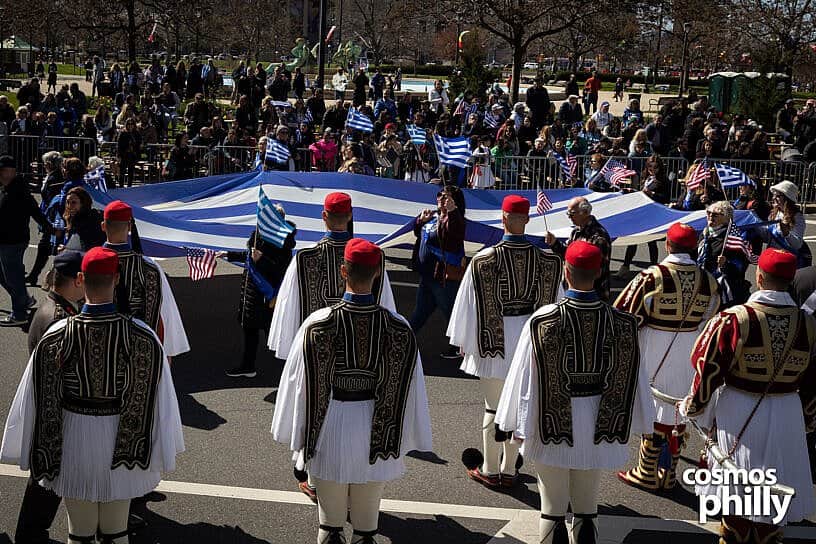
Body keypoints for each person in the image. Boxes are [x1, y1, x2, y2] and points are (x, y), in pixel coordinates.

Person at [0, 247, 184, 544]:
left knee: (80, 533)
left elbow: (37, 399)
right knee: (116, 532)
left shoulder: (56, 335)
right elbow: (159, 401)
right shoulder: (143, 337)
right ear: (117, 278)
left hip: (73, 439)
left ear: (82, 278)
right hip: (123, 442)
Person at [271, 238, 432, 544]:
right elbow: (412, 390)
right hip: (377, 430)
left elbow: (297, 385)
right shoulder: (399, 327)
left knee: (329, 527)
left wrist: (296, 434)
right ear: (376, 274)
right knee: (366, 529)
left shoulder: (316, 324)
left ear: (343, 271)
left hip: (328, 428)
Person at [495, 240, 654, 544]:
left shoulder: (542, 321)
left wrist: (511, 421)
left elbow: (522, 377)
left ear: (565, 272)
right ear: (598, 273)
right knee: (586, 508)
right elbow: (636, 378)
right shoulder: (623, 323)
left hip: (550, 424)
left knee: (552, 508)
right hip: (600, 425)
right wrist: (639, 425)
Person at [681, 248, 816, 543]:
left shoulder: (735, 319)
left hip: (740, 409)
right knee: (773, 497)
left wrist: (695, 405)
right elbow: (812, 378)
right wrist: (807, 416)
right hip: (787, 412)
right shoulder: (809, 324)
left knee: (736, 492)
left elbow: (707, 367)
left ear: (759, 277)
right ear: (791, 279)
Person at [449, 195, 563, 489]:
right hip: (530, 340)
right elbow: (557, 308)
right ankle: (510, 468)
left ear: (502, 218)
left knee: (493, 408)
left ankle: (489, 467)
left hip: (493, 341)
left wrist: (464, 343)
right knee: (519, 407)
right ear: (527, 219)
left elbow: (466, 307)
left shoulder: (483, 260)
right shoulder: (549, 261)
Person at [615, 224, 720, 492]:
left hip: (655, 344)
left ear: (668, 246)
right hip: (689, 345)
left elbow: (623, 315)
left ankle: (647, 471)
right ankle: (668, 470)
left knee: (655, 405)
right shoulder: (708, 279)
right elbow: (711, 315)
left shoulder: (651, 277)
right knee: (677, 410)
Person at [14, 251, 84, 542]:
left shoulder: (52, 308)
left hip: (47, 408)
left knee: (46, 479)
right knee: (46, 480)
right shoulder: (59, 317)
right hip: (54, 412)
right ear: (75, 280)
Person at [101, 201, 190, 359]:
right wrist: (166, 354)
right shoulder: (149, 268)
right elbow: (164, 315)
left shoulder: (88, 264)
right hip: (138, 353)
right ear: (129, 227)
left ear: (103, 226)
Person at [222, 221, 296, 378]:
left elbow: (280, 269)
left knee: (274, 333)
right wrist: (229, 254)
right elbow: (249, 256)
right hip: (251, 295)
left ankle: (294, 367)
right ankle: (248, 366)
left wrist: (261, 260)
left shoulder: (283, 243)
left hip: (267, 297)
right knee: (250, 331)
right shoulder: (259, 237)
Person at [409, 186, 467, 358]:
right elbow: (418, 233)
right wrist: (420, 222)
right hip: (428, 275)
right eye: (440, 195)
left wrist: (453, 212)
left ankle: (461, 347)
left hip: (443, 277)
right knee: (420, 312)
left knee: (450, 312)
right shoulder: (434, 217)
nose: (442, 198)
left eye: (447, 196)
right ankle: (405, 339)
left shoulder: (456, 219)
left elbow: (453, 236)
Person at [0, 155, 47, 326]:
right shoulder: (5, 188)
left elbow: (34, 210)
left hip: (13, 241)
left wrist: (48, 228)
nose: (4, 174)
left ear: (13, 172)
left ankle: (19, 314)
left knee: (13, 277)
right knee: (6, 275)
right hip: (6, 240)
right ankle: (23, 299)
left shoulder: (19, 190)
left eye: (7, 171)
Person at [545, 197, 612, 301]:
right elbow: (568, 255)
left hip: (593, 296)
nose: (569, 217)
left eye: (572, 213)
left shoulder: (599, 237)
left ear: (585, 212)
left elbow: (597, 273)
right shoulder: (576, 231)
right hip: (574, 292)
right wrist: (554, 243)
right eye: (567, 214)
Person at [697, 201, 751, 309]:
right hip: (703, 285)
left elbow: (741, 267)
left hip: (724, 291)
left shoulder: (731, 238)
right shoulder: (705, 234)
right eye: (709, 212)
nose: (711, 216)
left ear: (726, 219)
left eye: (716, 214)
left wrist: (726, 263)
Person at [756, 180, 810, 268]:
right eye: (773, 195)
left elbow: (797, 244)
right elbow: (767, 237)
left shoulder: (797, 217)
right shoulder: (775, 212)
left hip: (787, 261)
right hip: (772, 257)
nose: (773, 198)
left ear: (787, 198)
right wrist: (755, 224)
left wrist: (786, 233)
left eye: (777, 196)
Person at [62, 186, 106, 252]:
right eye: (67, 202)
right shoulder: (73, 217)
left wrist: (66, 251)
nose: (69, 206)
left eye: (74, 203)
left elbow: (89, 250)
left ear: (83, 203)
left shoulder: (92, 219)